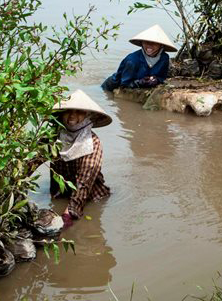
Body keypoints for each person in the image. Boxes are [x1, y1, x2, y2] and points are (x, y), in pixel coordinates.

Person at [50, 89, 112, 225]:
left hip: (90, 198)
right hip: (61, 194)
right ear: (61, 114)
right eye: (68, 111)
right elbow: (31, 162)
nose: (72, 116)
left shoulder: (92, 143)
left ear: (87, 115)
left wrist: (68, 215)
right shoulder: (52, 138)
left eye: (79, 112)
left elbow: (83, 183)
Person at [101, 24, 177, 91]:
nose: (149, 46)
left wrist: (156, 80)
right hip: (111, 87)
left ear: (161, 45)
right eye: (146, 42)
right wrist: (139, 82)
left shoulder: (164, 58)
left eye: (154, 43)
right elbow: (124, 84)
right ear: (141, 43)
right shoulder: (132, 60)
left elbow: (162, 77)